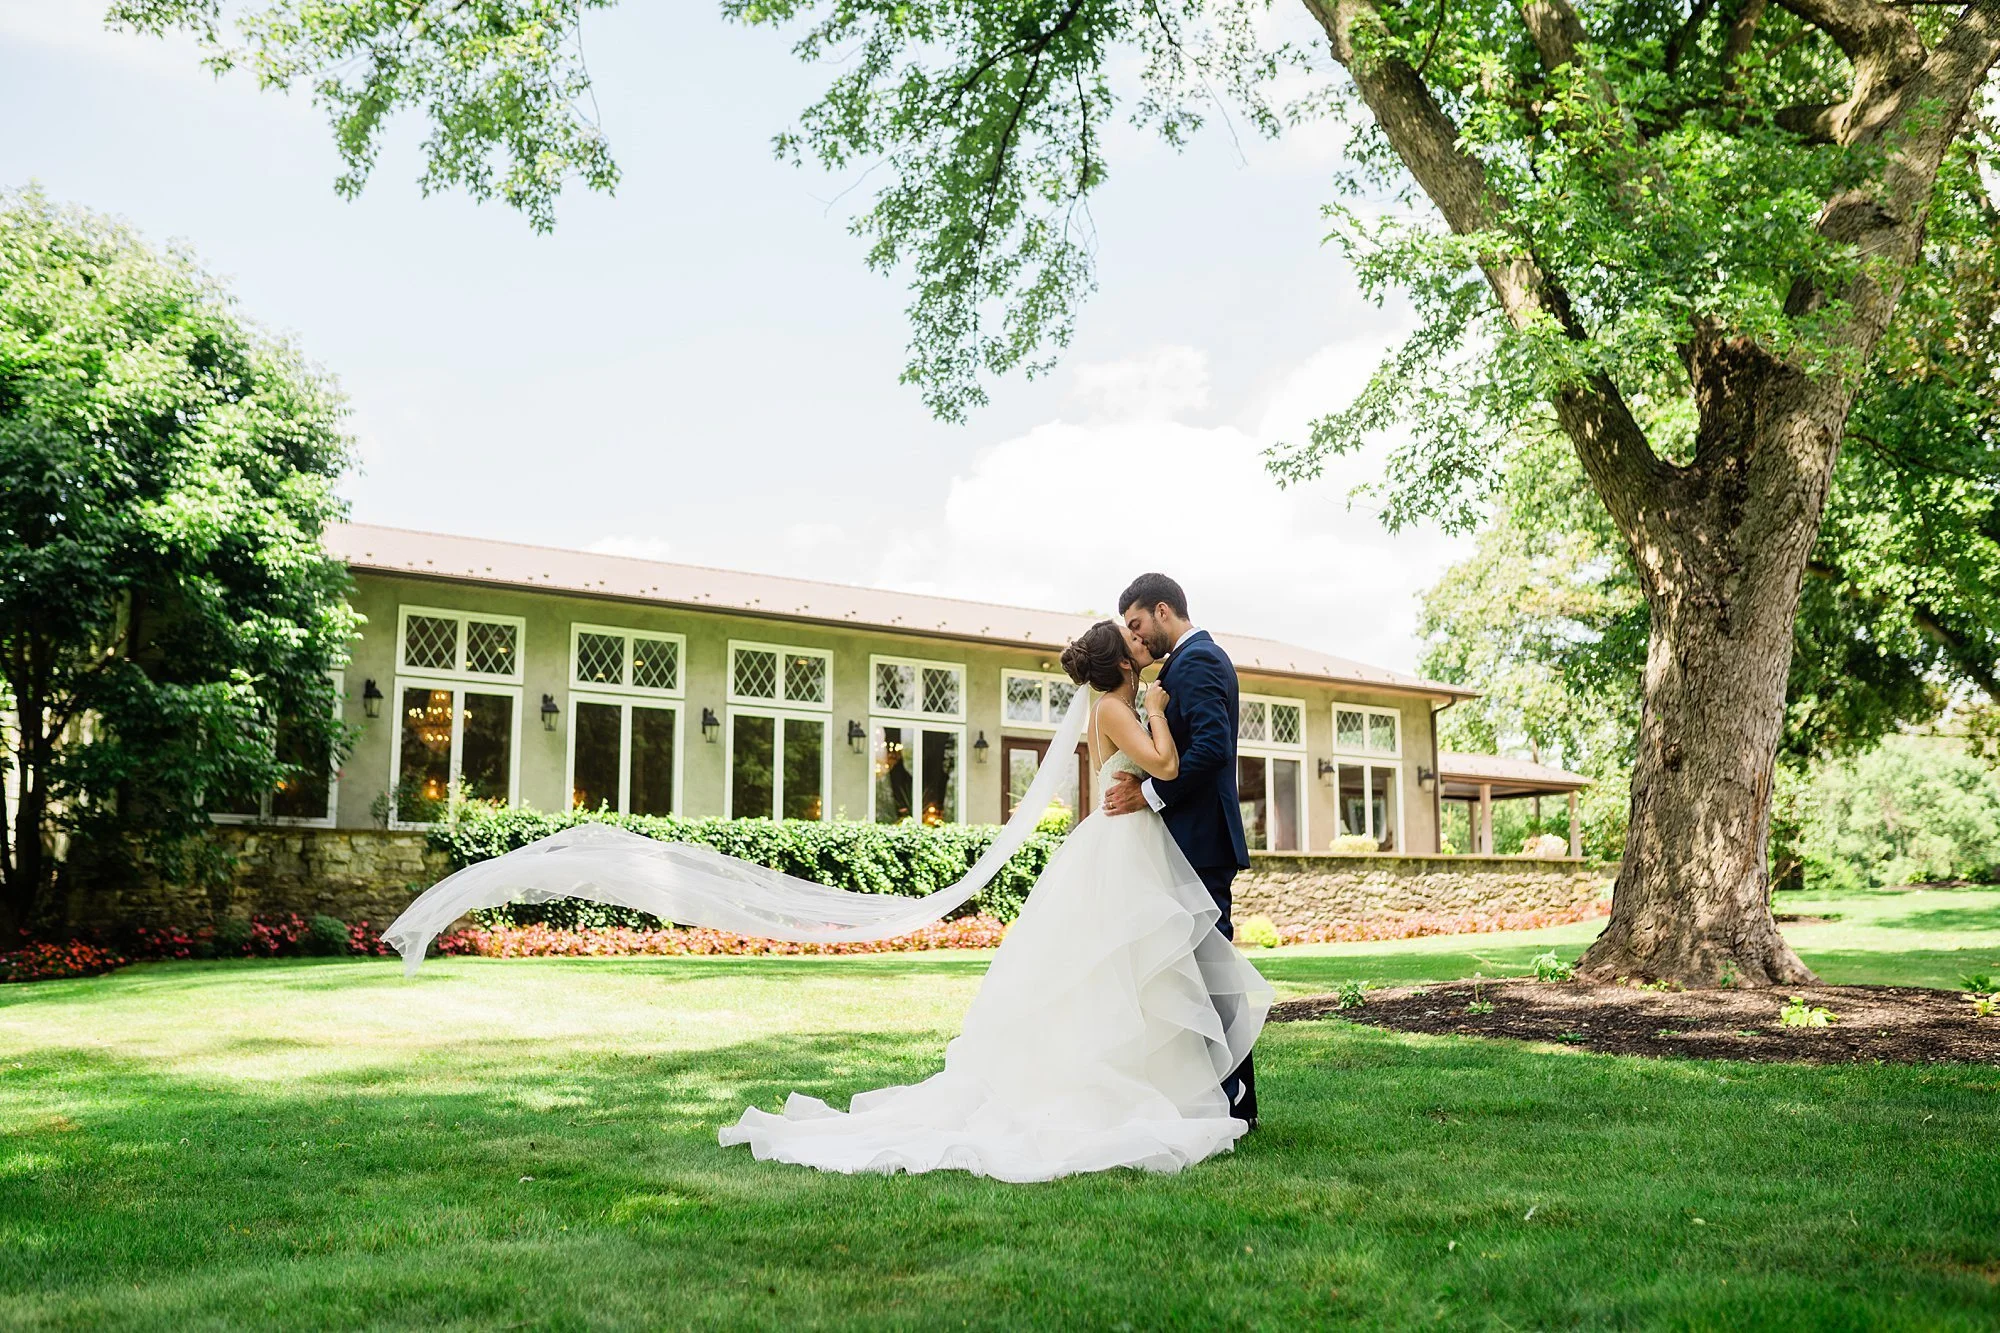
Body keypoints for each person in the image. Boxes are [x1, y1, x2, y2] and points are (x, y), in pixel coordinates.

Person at [715, 616, 1271, 1179]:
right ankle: (1123, 1088)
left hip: (1133, 844)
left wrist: (1150, 715)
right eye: (1130, 637)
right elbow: (1169, 765)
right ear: (1124, 663)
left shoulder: (1114, 706)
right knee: (1123, 965)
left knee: (1145, 968)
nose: (1140, 640)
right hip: (1125, 847)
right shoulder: (1112, 709)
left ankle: (1168, 1082)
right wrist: (1155, 711)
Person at [1100, 572, 1256, 1127]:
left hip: (1201, 841)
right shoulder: (1181, 668)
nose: (1136, 640)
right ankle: (1211, 1097)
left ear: (1163, 611)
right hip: (1182, 841)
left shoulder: (1199, 662)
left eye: (1138, 626)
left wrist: (1149, 793)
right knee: (1187, 972)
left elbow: (1212, 747)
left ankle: (1235, 1103)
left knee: (1211, 973)